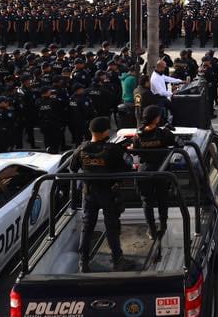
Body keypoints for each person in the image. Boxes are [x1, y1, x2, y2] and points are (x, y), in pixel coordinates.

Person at [71, 115, 132, 270]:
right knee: (111, 227)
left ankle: (83, 262)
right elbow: (127, 167)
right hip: (109, 193)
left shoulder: (82, 148)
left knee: (87, 227)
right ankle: (118, 260)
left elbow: (73, 167)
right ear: (106, 132)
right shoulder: (113, 150)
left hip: (89, 193)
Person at [133, 107, 175, 236]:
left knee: (147, 201)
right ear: (156, 118)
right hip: (161, 170)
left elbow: (135, 150)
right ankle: (163, 224)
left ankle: (151, 228)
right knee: (163, 199)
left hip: (144, 171)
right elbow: (176, 143)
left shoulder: (138, 136)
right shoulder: (164, 134)